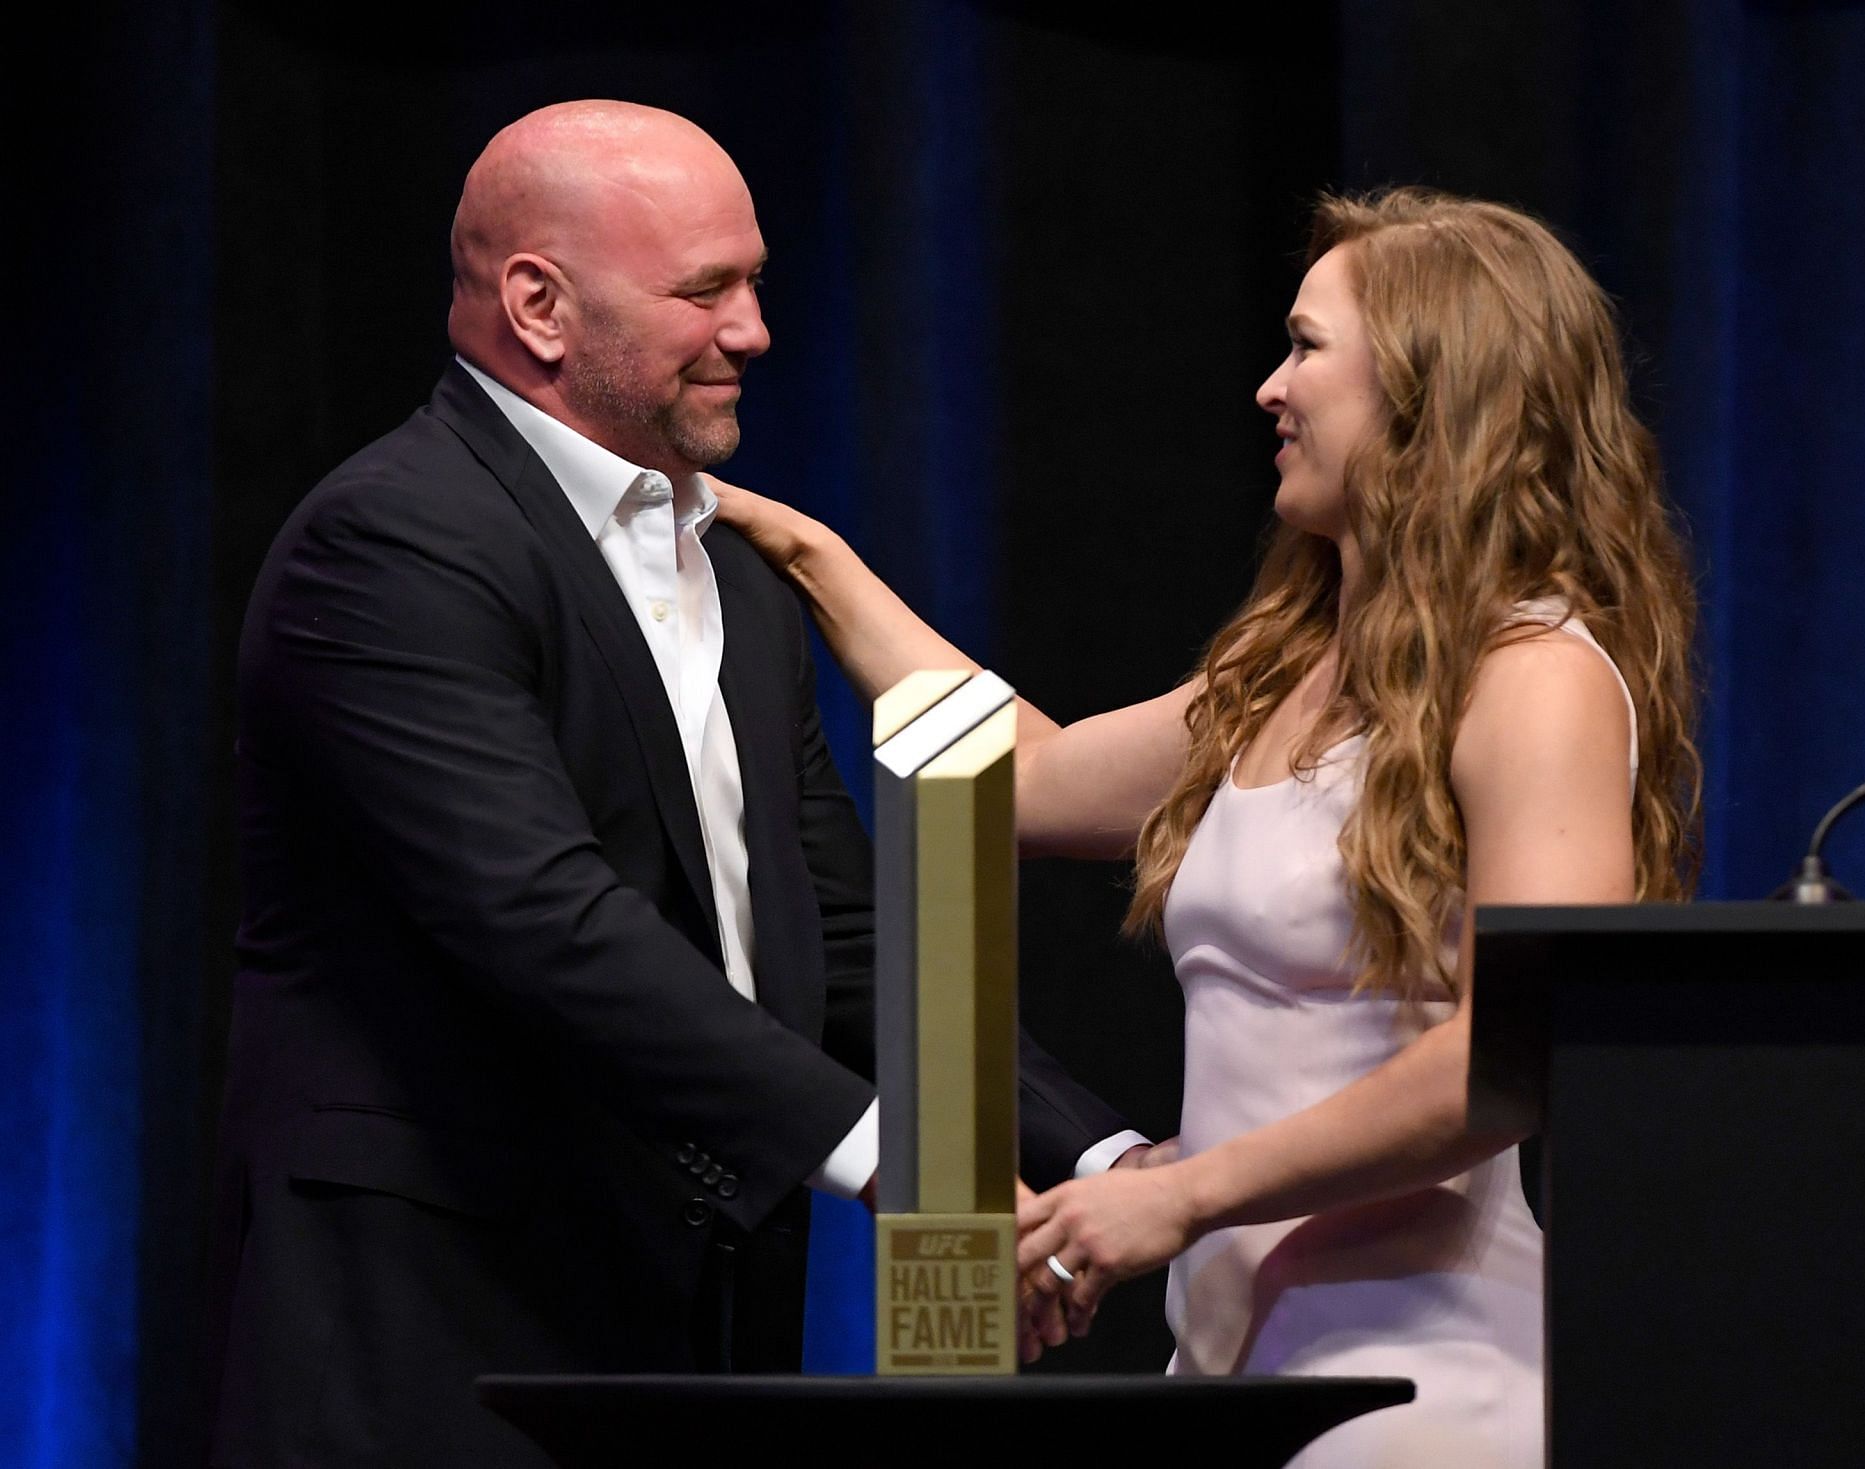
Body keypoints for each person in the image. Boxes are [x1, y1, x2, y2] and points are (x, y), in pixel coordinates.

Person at [207, 100, 1144, 1468]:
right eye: (706, 289)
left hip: (684, 1319)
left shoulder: (735, 568)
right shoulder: (394, 540)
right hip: (444, 1333)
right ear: (539, 303)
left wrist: (1102, 1158)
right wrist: (907, 1161)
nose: (755, 330)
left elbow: (846, 928)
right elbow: (545, 919)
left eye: (755, 282)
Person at [711, 186, 1701, 1465]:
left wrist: (1179, 1194)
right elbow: (1012, 776)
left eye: (1305, 347)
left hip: (1423, 1387)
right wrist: (807, 556)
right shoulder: (1289, 675)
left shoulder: (1537, 672)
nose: (1269, 390)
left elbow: (1505, 1055)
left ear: (1426, 388)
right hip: (1240, 1365)